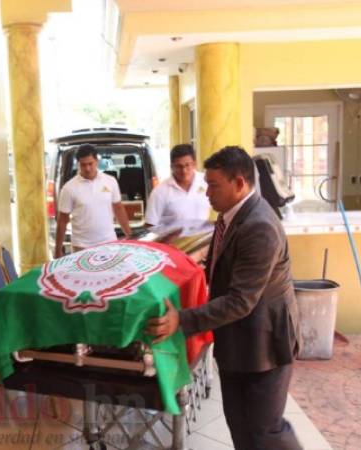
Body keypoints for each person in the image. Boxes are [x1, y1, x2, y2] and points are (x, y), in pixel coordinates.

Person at [146, 146, 302, 450]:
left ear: (240, 183)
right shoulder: (230, 215)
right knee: (240, 424)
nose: (207, 194)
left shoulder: (259, 227)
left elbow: (241, 300)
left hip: (264, 346)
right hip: (238, 341)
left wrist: (182, 320)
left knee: (265, 431)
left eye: (214, 186)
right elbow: (220, 267)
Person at [54, 144, 132, 258]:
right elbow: (62, 220)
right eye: (83, 165)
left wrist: (130, 236)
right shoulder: (69, 188)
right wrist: (58, 249)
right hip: (81, 247)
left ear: (97, 161)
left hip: (109, 243)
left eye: (90, 163)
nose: (87, 168)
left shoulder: (110, 181)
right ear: (78, 164)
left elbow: (118, 208)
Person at [144, 144, 210, 233]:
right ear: (171, 166)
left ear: (195, 164)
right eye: (179, 166)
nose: (184, 170)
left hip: (201, 243)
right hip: (173, 245)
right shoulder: (160, 192)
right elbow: (150, 225)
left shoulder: (207, 182)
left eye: (188, 165)